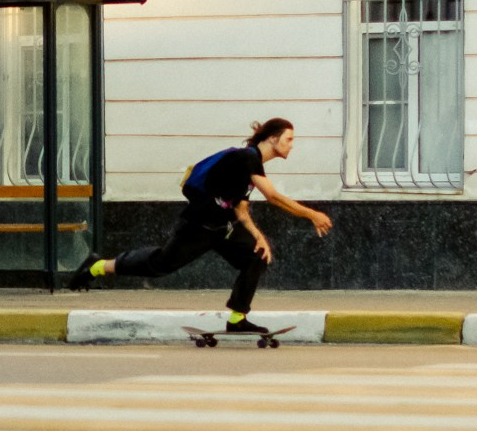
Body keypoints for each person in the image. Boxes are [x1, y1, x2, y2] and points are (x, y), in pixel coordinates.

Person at [68, 118, 333, 334]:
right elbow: (272, 196)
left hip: (224, 228)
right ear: (273, 138)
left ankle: (237, 319)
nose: (292, 145)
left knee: (256, 256)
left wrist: (258, 237)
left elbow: (240, 208)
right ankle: (97, 266)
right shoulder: (248, 157)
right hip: (198, 226)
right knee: (160, 264)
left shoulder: (250, 167)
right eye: (289, 139)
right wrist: (312, 215)